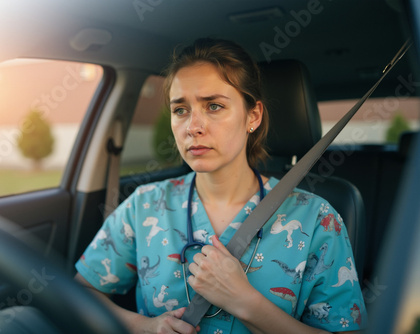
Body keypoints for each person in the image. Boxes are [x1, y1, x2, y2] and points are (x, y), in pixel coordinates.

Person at [74, 38, 367, 334]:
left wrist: (244, 301)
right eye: (180, 110)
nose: (193, 127)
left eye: (214, 106)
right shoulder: (144, 205)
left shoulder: (318, 220)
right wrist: (143, 327)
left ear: (252, 116)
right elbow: (81, 292)